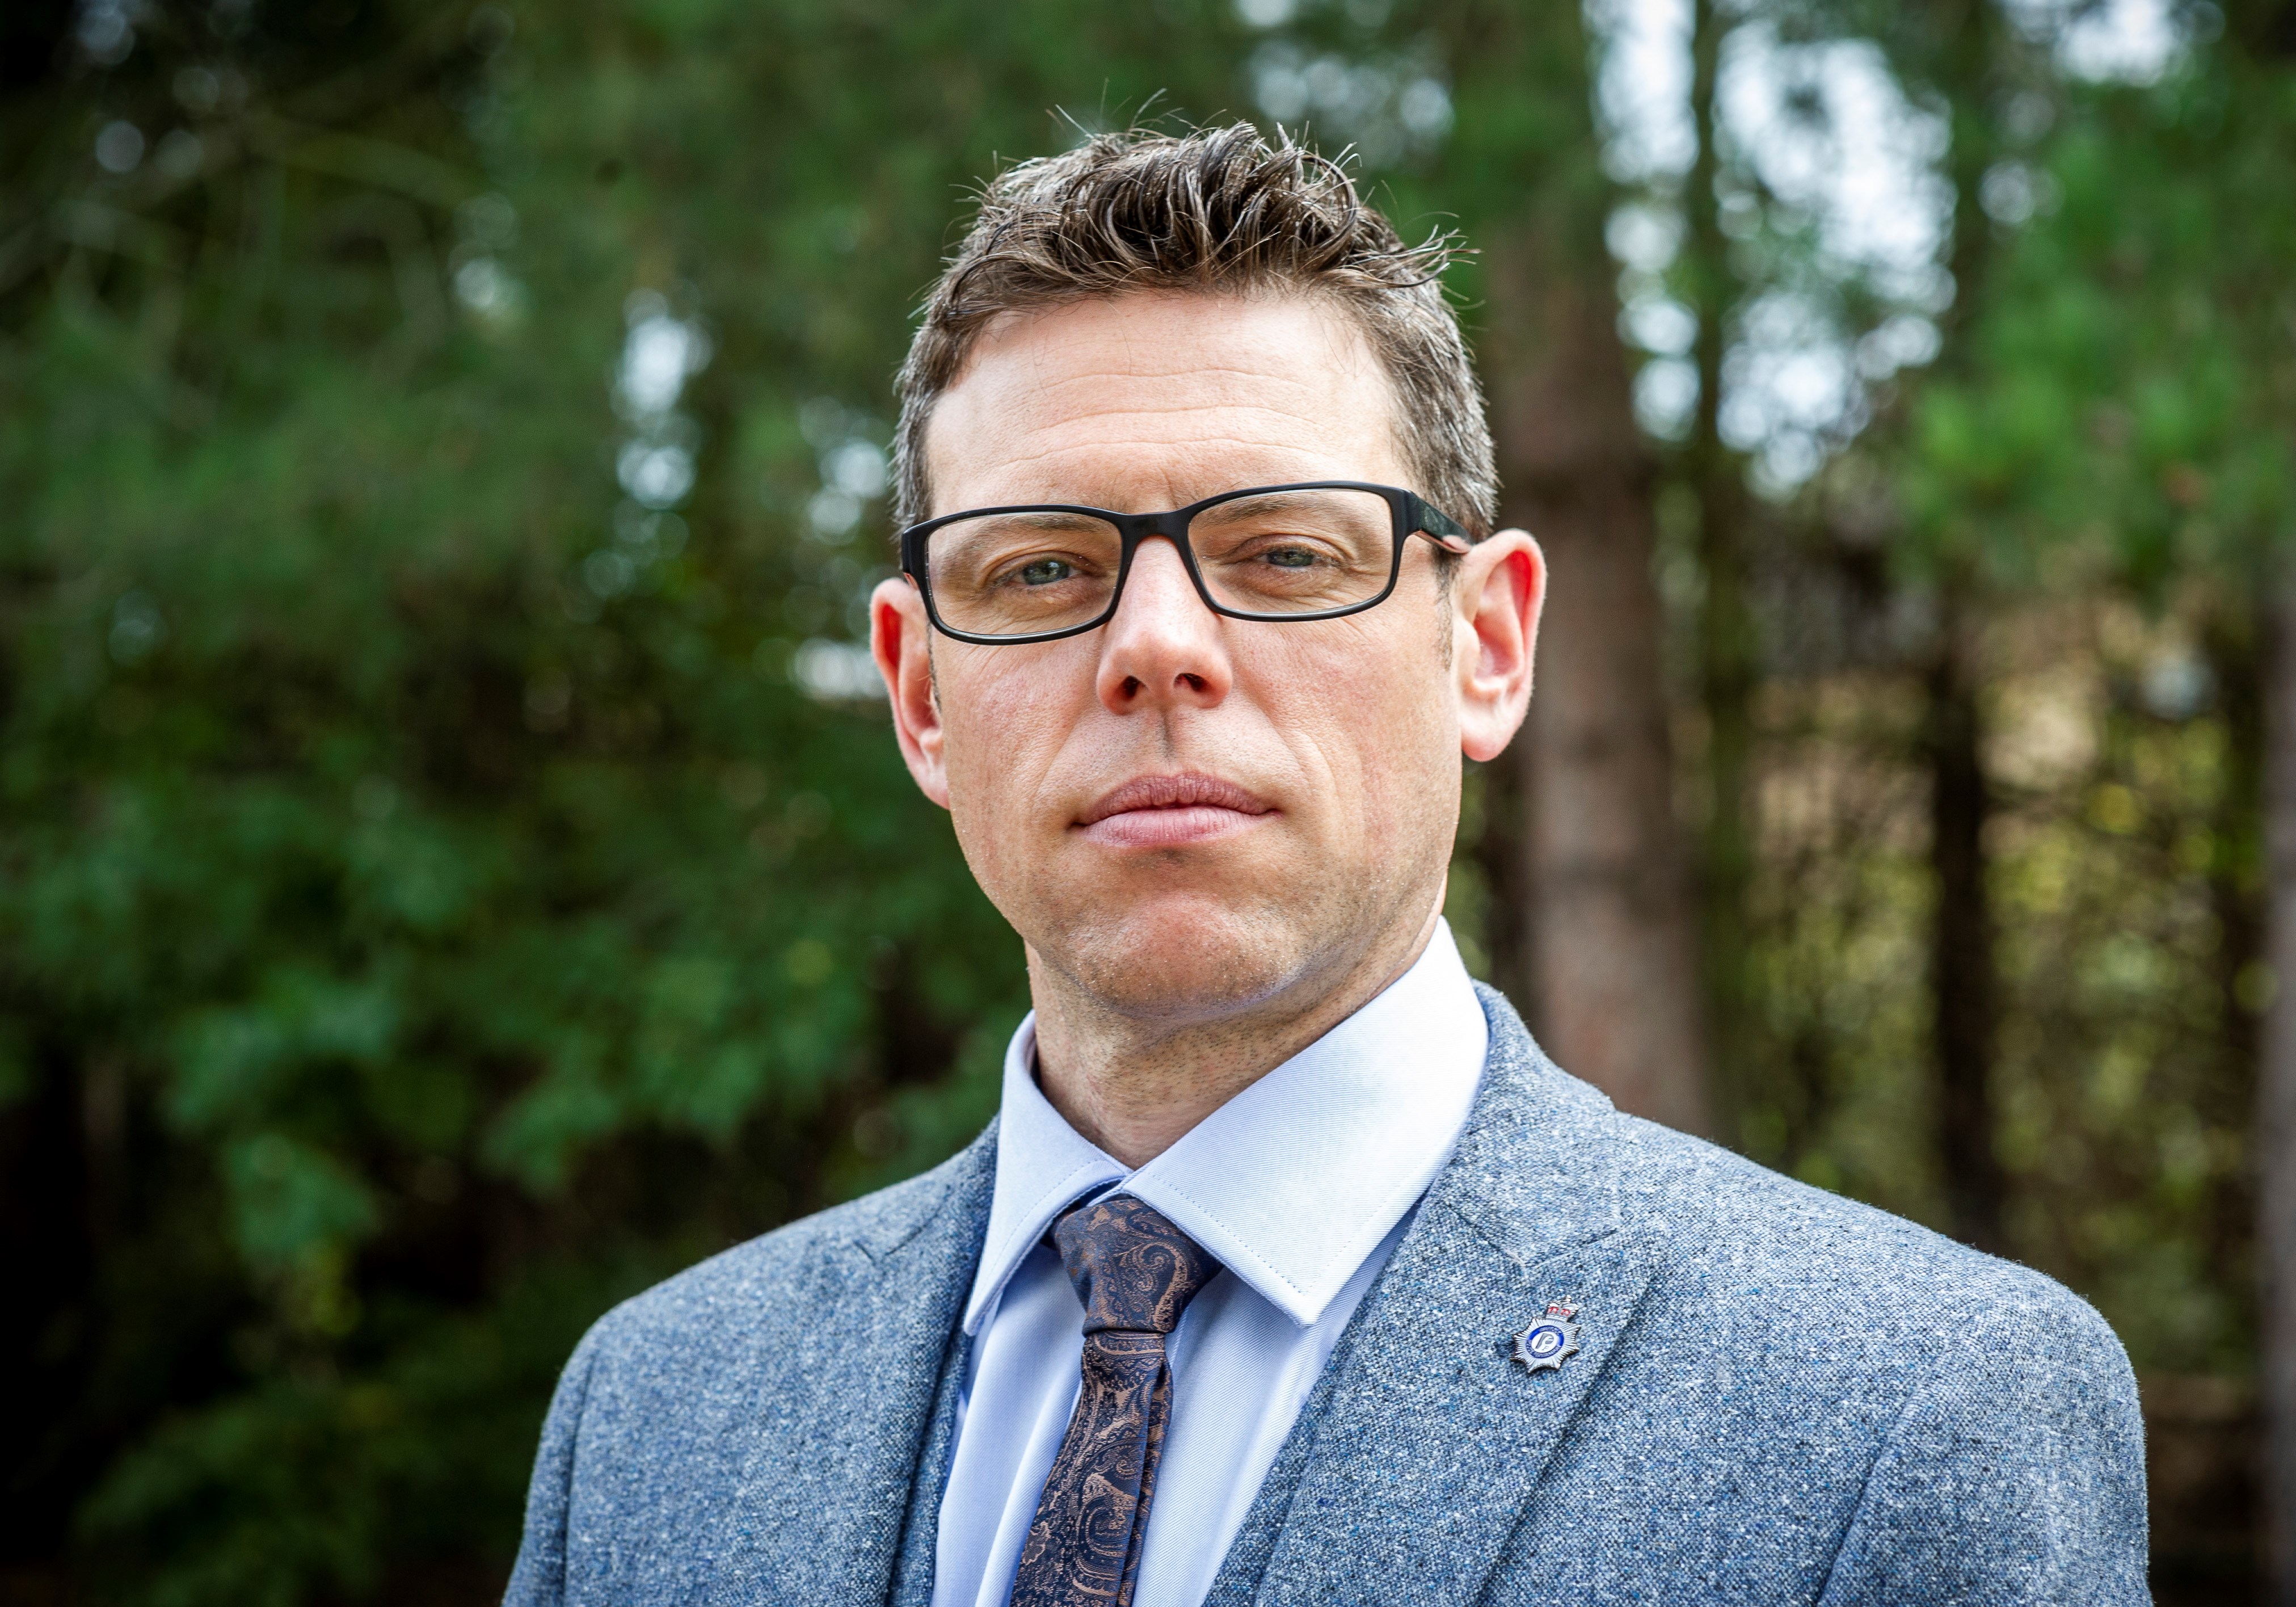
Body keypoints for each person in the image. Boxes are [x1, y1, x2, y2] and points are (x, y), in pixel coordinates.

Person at [504, 124, 2146, 1607]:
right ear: (922, 697)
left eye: (1286, 552)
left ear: (1485, 649)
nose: (1156, 646)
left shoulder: (1910, 1415)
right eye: (1042, 570)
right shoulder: (654, 1416)